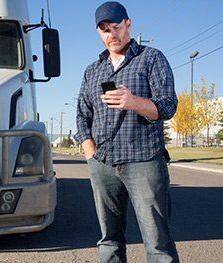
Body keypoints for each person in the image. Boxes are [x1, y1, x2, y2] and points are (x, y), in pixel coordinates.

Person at [73, 1, 180, 262]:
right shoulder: (92, 70)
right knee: (109, 241)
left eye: (116, 27)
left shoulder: (152, 58)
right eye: (105, 30)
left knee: (157, 242)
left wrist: (134, 102)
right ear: (99, 33)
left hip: (144, 161)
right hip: (104, 165)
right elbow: (82, 115)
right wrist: (91, 155)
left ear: (128, 25)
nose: (112, 34)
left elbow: (168, 106)